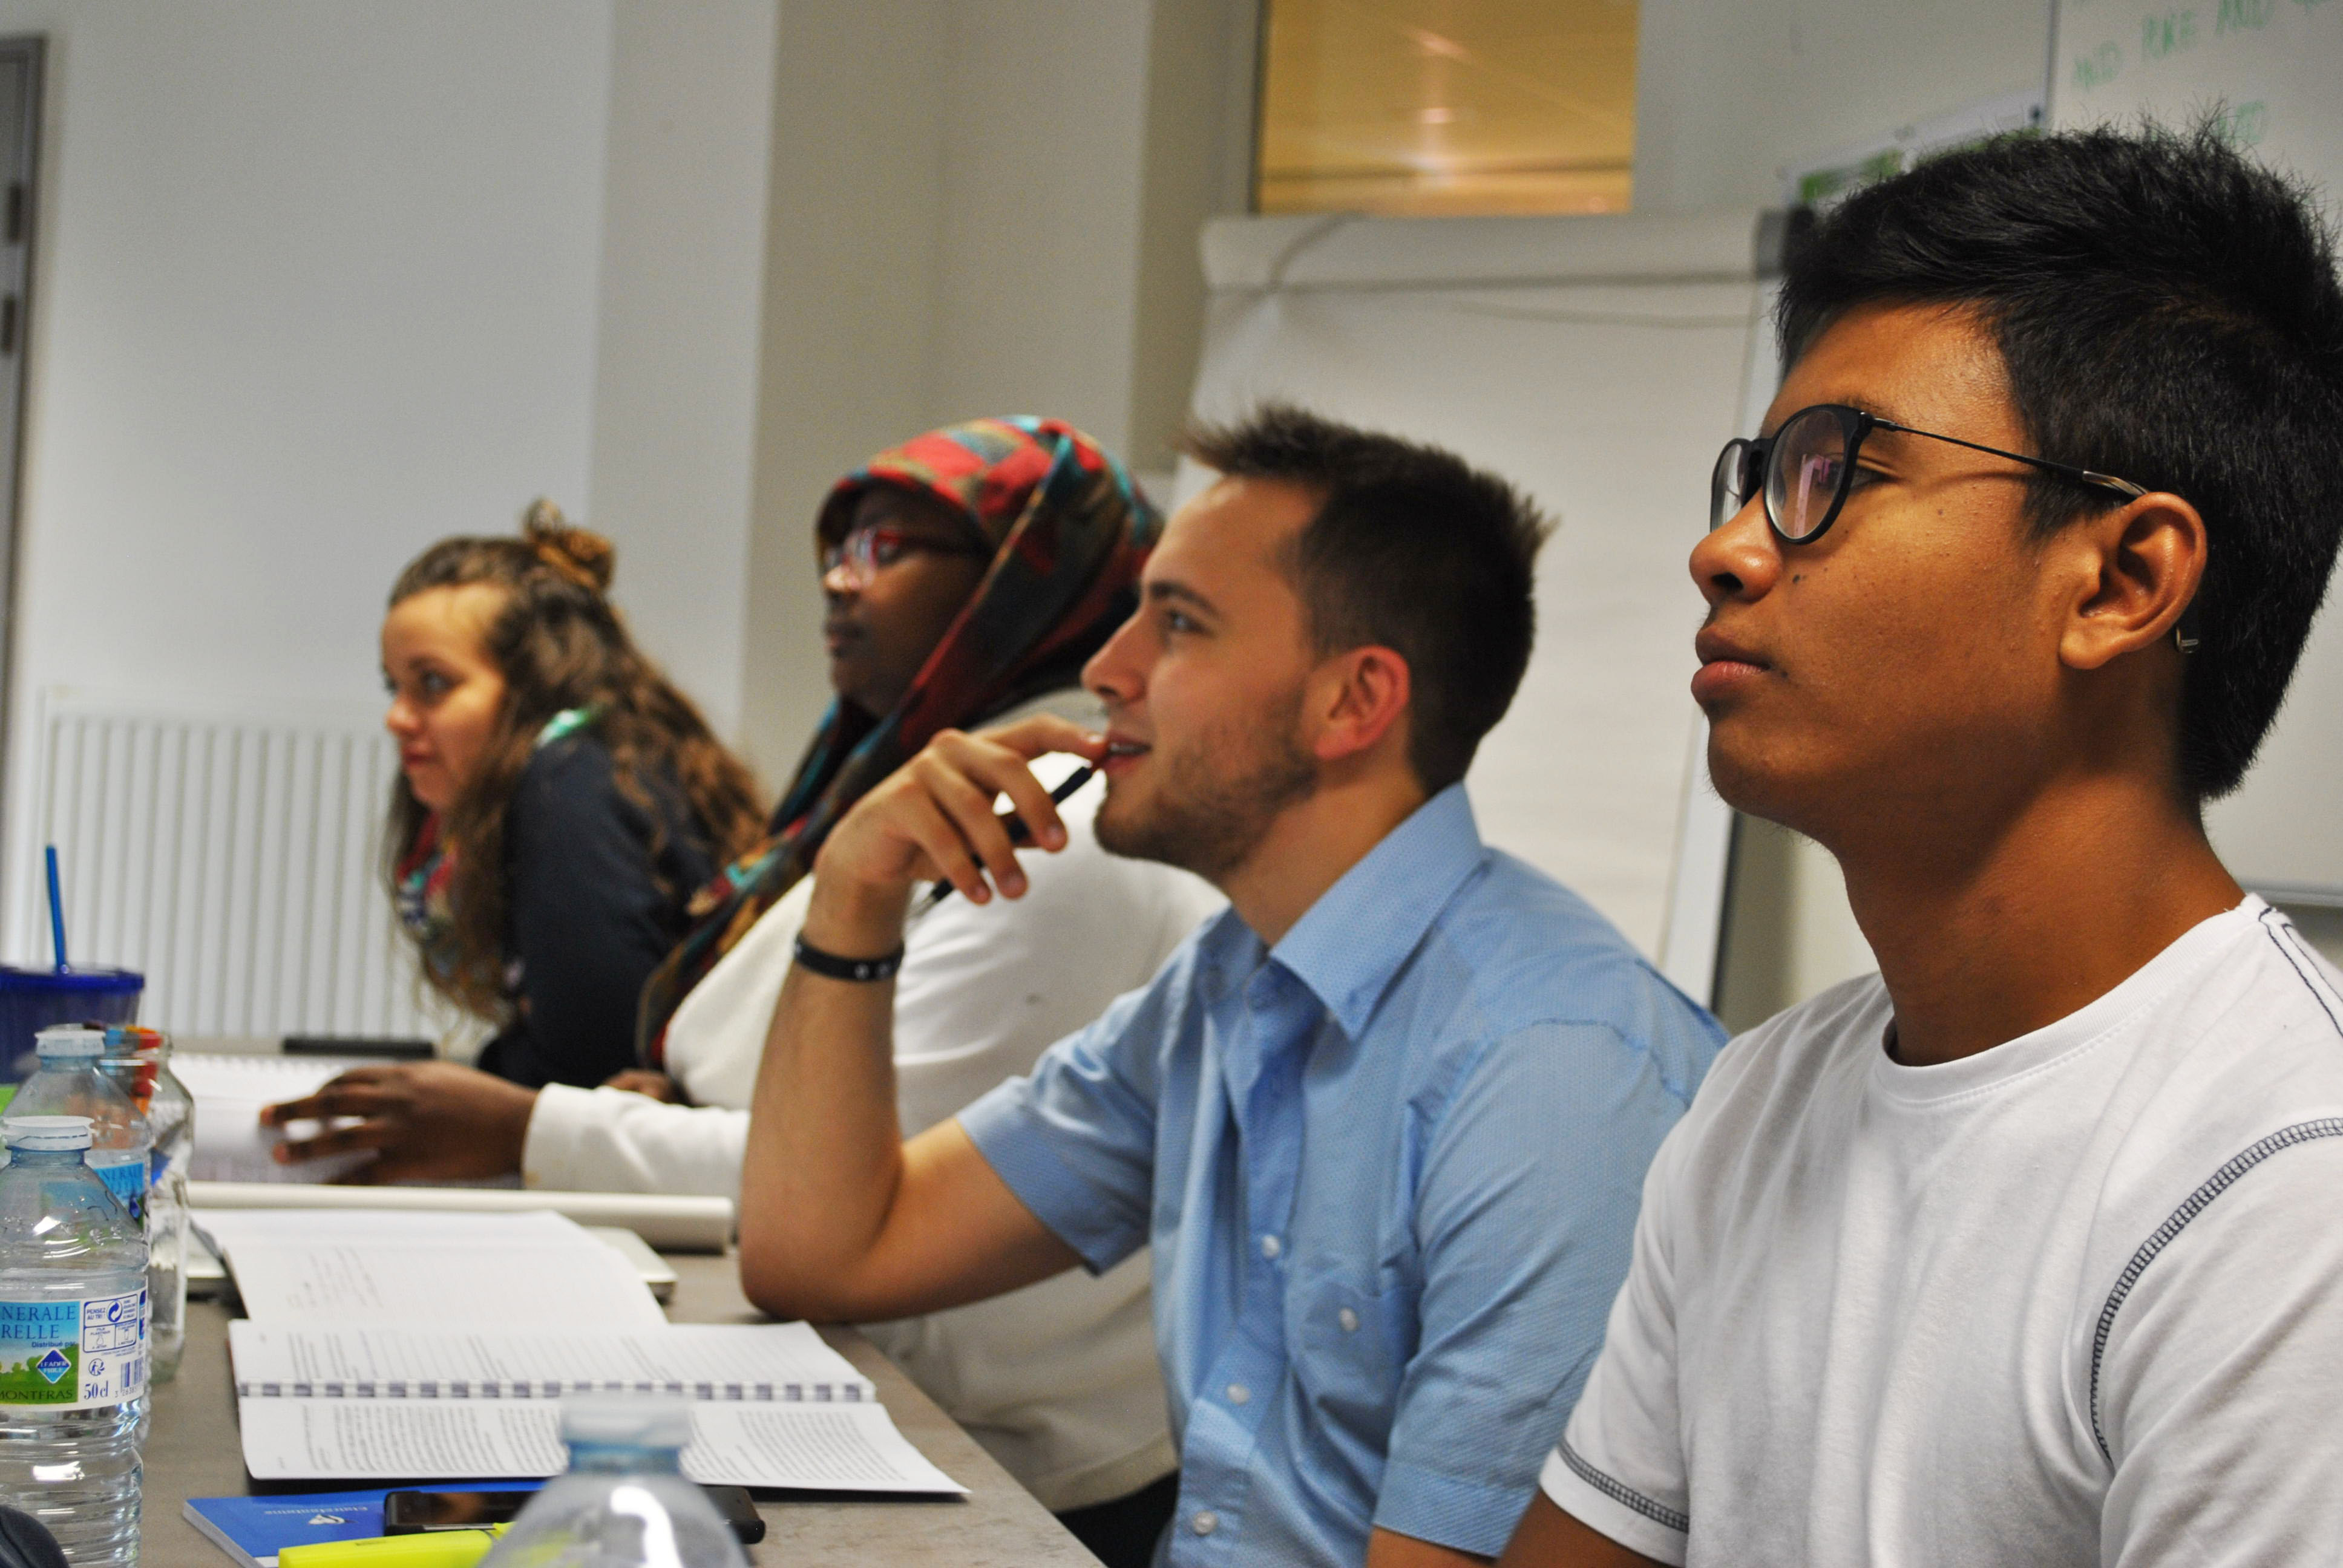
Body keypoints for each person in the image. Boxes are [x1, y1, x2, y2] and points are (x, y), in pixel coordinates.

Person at [1503, 124, 2343, 1568]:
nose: (1728, 547)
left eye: (1832, 470)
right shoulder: (1761, 1099)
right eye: (1757, 471)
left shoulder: (2284, 1185)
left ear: (2123, 579)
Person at [736, 405, 1726, 1568]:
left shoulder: (1553, 1070)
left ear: (1352, 702)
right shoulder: (1229, 982)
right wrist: (855, 894)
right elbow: (826, 1251)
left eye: (1178, 625)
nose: (1108, 672)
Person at [267, 419, 1222, 1564]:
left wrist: (542, 1125)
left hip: (997, 1457)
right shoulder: (909, 767)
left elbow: (861, 1186)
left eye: (885, 547)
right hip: (867, 1370)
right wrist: (665, 1098)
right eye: (836, 548)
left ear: (1019, 581)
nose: (837, 579)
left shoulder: (1050, 817)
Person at [378, 503, 765, 1089]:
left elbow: (590, 1065)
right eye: (394, 686)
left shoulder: (569, 789)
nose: (397, 718)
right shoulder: (593, 766)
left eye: (433, 683)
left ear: (534, 686)